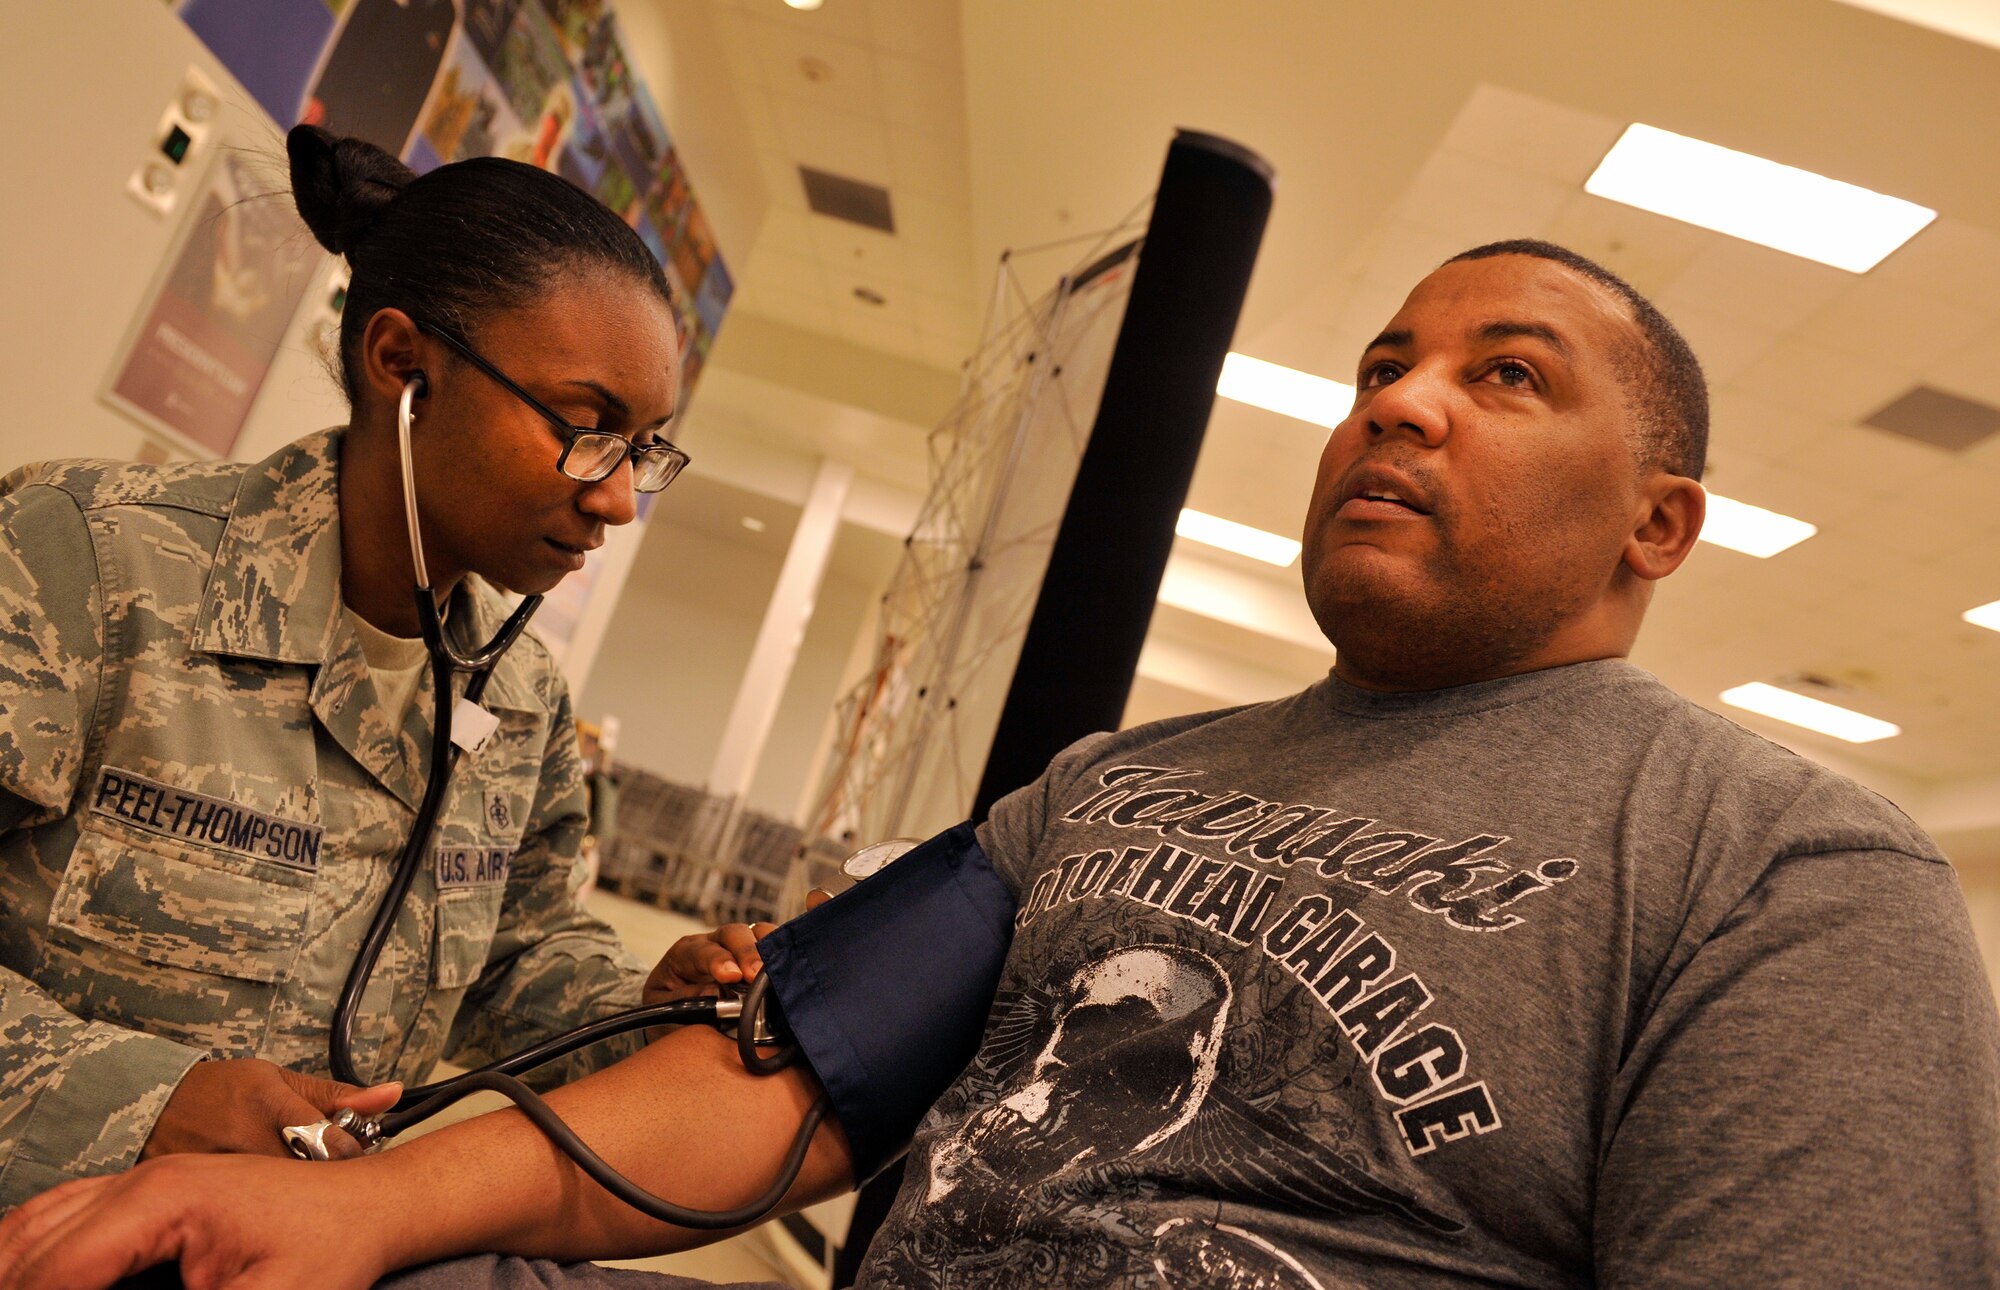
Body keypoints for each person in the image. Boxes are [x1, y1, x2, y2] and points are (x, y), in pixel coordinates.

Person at [5, 240, 1998, 1289]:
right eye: (1382, 362)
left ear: (1658, 527)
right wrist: (364, 1214)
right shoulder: (1109, 791)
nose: (1397, 405)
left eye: (1503, 376)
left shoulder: (1784, 873)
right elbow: (765, 1087)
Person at [0, 126, 694, 1208]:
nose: (614, 497)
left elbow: (520, 955)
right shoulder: (86, 560)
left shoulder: (522, 702)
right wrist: (141, 1101)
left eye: (643, 448)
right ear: (400, 364)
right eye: (585, 426)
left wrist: (658, 1002)